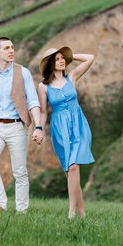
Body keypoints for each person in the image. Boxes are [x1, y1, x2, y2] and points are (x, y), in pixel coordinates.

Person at [0, 37, 44, 212]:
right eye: (6, 48)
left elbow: (33, 101)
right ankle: (0, 204)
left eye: (12, 47)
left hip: (16, 127)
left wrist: (38, 126)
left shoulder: (23, 72)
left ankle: (22, 210)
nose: (11, 51)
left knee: (20, 171)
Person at [36, 47, 96, 218]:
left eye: (63, 58)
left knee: (74, 167)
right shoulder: (43, 86)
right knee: (70, 172)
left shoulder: (72, 77)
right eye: (57, 59)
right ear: (50, 64)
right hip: (59, 128)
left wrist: (71, 56)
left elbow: (90, 57)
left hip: (78, 125)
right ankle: (82, 214)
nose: (62, 61)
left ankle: (71, 213)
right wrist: (39, 129)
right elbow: (42, 111)